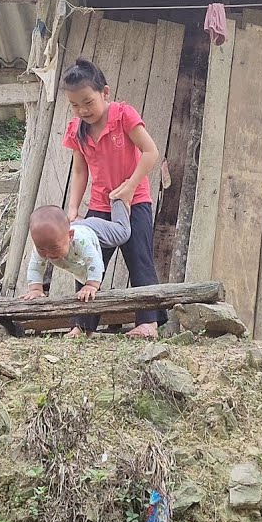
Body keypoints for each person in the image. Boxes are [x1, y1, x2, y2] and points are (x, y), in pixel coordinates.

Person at [60, 57, 162, 338]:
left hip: (134, 201)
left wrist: (130, 187)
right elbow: (80, 171)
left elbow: (151, 152)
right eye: (75, 105)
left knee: (139, 259)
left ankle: (148, 323)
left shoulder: (123, 115)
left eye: (88, 101)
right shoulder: (77, 129)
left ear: (104, 93)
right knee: (87, 262)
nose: (83, 110)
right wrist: (73, 208)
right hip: (99, 206)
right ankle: (82, 325)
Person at [21, 199, 131, 305]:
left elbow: (94, 261)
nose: (48, 253)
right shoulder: (42, 246)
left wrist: (91, 285)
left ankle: (118, 201)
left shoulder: (80, 241)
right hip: (74, 232)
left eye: (54, 248)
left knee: (123, 234)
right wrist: (35, 289)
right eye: (41, 249)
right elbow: (35, 268)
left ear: (70, 236)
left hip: (94, 230)